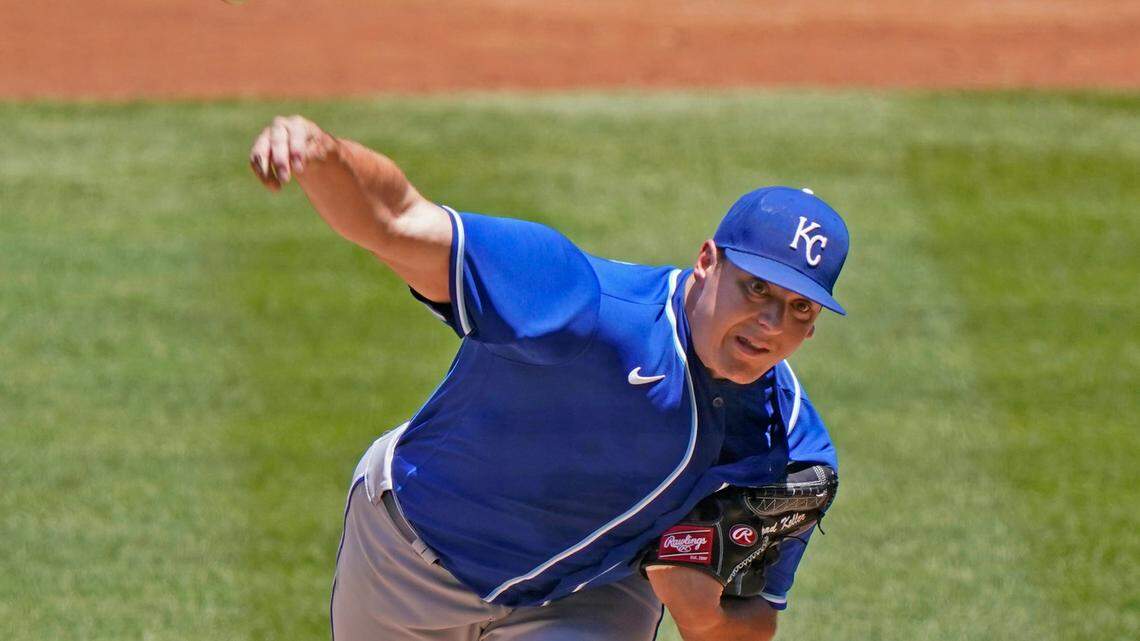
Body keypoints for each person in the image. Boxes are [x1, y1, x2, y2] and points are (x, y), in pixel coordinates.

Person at [249, 115, 849, 641]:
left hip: (590, 593)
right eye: (757, 288)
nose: (770, 322)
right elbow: (398, 219)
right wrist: (324, 154)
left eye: (800, 307)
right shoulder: (581, 306)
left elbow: (749, 625)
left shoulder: (790, 450)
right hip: (411, 557)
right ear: (707, 261)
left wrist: (698, 613)